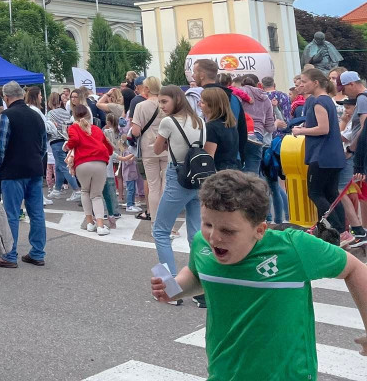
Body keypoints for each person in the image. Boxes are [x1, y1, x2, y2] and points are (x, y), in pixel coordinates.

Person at [151, 170, 367, 379]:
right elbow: (199, 275)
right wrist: (175, 288)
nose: (214, 237)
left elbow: (354, 268)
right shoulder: (202, 243)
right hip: (223, 372)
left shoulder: (294, 248)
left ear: (260, 230)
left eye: (228, 231)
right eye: (207, 224)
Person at [151, 84, 206, 301]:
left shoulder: (168, 122)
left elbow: (156, 149)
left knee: (161, 231)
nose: (162, 106)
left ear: (177, 100)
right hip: (199, 177)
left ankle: (172, 286)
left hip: (179, 176)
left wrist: (168, 144)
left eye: (165, 101)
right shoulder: (199, 120)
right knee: (196, 235)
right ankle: (200, 288)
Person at [0, 81, 47, 268]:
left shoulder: (7, 116)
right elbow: (44, 145)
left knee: (11, 214)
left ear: (6, 97)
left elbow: (0, 147)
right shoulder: (37, 116)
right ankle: (37, 253)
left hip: (13, 171)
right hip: (35, 169)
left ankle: (9, 254)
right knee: (37, 213)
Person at [291, 68, 347, 237]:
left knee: (315, 192)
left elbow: (323, 128)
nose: (302, 85)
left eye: (304, 81)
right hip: (332, 155)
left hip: (321, 156)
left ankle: (335, 228)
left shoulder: (318, 102)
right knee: (331, 193)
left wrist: (301, 131)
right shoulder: (328, 100)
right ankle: (342, 230)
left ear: (315, 83)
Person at [64, 103, 114, 236]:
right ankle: (100, 225)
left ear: (73, 115)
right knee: (96, 195)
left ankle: (90, 223)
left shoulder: (74, 127)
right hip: (100, 162)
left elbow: (73, 140)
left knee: (85, 191)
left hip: (82, 163)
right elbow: (108, 147)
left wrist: (67, 146)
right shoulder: (96, 129)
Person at [129, 76, 165, 222]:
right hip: (166, 147)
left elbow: (136, 131)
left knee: (153, 185)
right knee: (166, 186)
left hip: (148, 149)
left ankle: (155, 222)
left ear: (147, 88)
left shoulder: (141, 106)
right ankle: (167, 223)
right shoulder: (166, 104)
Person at [45, 91, 79, 201]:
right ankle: (57, 189)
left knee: (63, 166)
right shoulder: (65, 112)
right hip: (65, 140)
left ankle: (76, 190)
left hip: (55, 141)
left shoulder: (50, 114)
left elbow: (48, 128)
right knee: (59, 166)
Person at [201, 87, 241, 171]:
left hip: (219, 173)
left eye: (202, 102)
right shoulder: (230, 124)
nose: (199, 104)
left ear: (212, 105)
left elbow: (209, 157)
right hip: (233, 170)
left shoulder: (211, 127)